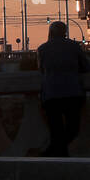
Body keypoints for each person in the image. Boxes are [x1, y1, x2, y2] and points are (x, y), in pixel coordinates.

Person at [36, 21, 90, 157]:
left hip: (51, 95)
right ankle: (53, 154)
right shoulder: (73, 46)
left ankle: (53, 155)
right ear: (65, 32)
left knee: (56, 130)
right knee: (72, 129)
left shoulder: (42, 49)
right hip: (72, 93)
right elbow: (85, 66)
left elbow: (41, 70)